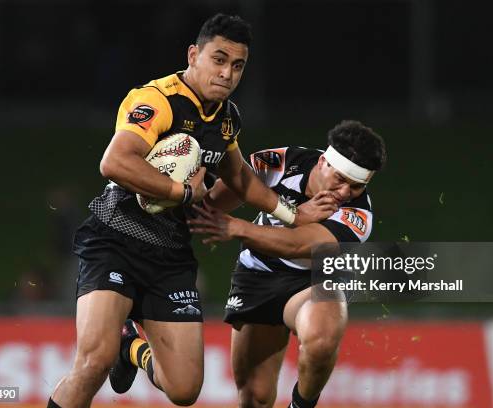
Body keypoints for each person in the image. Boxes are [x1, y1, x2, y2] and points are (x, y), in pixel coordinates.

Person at [48, 14, 332, 408]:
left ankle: (131, 347)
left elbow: (240, 178)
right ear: (193, 55)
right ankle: (114, 347)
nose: (227, 74)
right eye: (218, 59)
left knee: (183, 389)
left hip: (170, 255)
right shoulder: (157, 99)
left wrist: (293, 214)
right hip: (116, 238)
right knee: (93, 362)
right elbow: (114, 162)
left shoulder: (227, 117)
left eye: (238, 66)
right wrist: (181, 192)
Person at [117, 120, 387, 407]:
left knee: (322, 335)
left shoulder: (358, 214)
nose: (345, 193)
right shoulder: (280, 163)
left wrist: (238, 228)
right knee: (254, 398)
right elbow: (212, 205)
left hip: (312, 283)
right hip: (259, 276)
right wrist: (185, 190)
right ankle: (130, 347)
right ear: (323, 163)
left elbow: (300, 245)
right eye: (341, 180)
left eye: (356, 186)